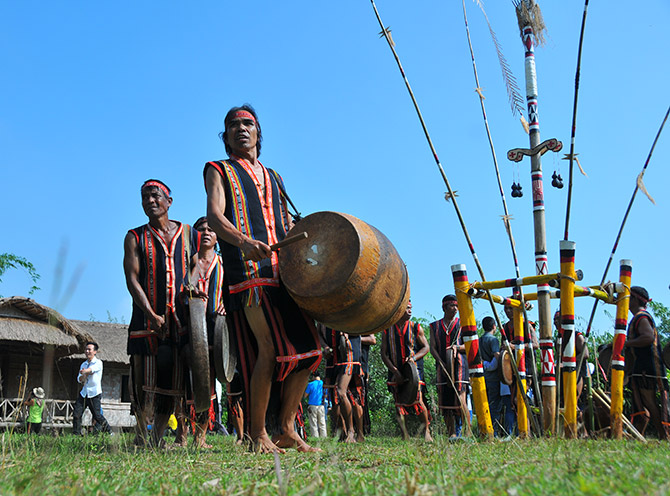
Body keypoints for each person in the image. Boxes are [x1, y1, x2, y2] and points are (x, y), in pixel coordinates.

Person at [204, 105, 322, 453]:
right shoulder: (217, 170)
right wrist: (243, 241)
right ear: (225, 137)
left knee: (310, 351)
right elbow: (214, 215)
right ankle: (258, 434)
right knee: (268, 349)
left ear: (258, 134)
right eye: (233, 125)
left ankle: (286, 427)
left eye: (248, 124)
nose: (241, 129)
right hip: (248, 271)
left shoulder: (275, 177)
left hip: (283, 273)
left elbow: (286, 224)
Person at [123, 179, 200, 446]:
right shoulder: (135, 236)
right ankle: (140, 434)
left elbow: (196, 265)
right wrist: (151, 313)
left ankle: (157, 437)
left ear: (169, 200)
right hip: (146, 321)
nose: (150, 201)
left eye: (155, 196)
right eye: (144, 197)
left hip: (179, 321)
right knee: (143, 380)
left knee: (171, 381)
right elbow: (132, 279)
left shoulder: (189, 233)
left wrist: (192, 286)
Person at [381, 302, 432, 441]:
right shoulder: (387, 330)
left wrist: (413, 358)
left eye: (410, 308)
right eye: (406, 308)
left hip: (413, 369)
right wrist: (394, 371)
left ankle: (426, 431)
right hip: (395, 368)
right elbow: (384, 354)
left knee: (418, 399)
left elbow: (426, 347)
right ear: (398, 310)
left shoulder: (416, 327)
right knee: (398, 402)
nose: (409, 311)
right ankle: (405, 434)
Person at [624, 286, 669, 440]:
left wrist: (626, 343)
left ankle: (663, 435)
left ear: (635, 299)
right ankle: (639, 435)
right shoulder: (639, 317)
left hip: (647, 367)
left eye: (629, 298)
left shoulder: (641, 317)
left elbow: (648, 338)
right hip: (643, 366)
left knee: (649, 402)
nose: (626, 301)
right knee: (644, 404)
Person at [429, 295, 469, 437]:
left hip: (459, 365)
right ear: (445, 307)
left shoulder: (463, 324)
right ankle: (451, 432)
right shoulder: (434, 326)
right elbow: (432, 347)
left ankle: (467, 431)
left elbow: (471, 345)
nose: (456, 309)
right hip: (442, 366)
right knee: (445, 399)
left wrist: (457, 348)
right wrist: (440, 360)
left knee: (460, 396)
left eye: (457, 306)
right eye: (453, 306)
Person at [321, 327, 364, 443]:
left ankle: (355, 432)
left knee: (347, 393)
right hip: (332, 358)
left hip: (349, 353)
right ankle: (342, 431)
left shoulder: (350, 311)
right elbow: (319, 332)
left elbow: (363, 326)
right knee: (335, 397)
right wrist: (324, 346)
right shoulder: (323, 314)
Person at [72, 342, 112, 435]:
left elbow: (91, 369)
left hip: (94, 393)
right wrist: (83, 376)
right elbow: (80, 379)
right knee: (77, 414)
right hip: (84, 393)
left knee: (97, 416)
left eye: (89, 349)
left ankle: (109, 430)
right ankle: (76, 434)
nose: (87, 351)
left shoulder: (98, 363)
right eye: (86, 349)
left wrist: (85, 372)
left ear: (95, 351)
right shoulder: (83, 364)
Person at [480, 316, 502, 436]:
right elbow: (497, 356)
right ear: (494, 326)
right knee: (494, 406)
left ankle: (483, 429)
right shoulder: (493, 340)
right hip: (493, 377)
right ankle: (493, 431)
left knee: (485, 403)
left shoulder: (479, 340)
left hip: (483, 376)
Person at [304, 373, 327, 438]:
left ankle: (315, 438)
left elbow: (305, 395)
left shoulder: (310, 384)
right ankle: (324, 438)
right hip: (321, 406)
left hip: (312, 406)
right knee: (322, 423)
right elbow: (326, 395)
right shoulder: (323, 384)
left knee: (313, 423)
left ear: (313, 377)